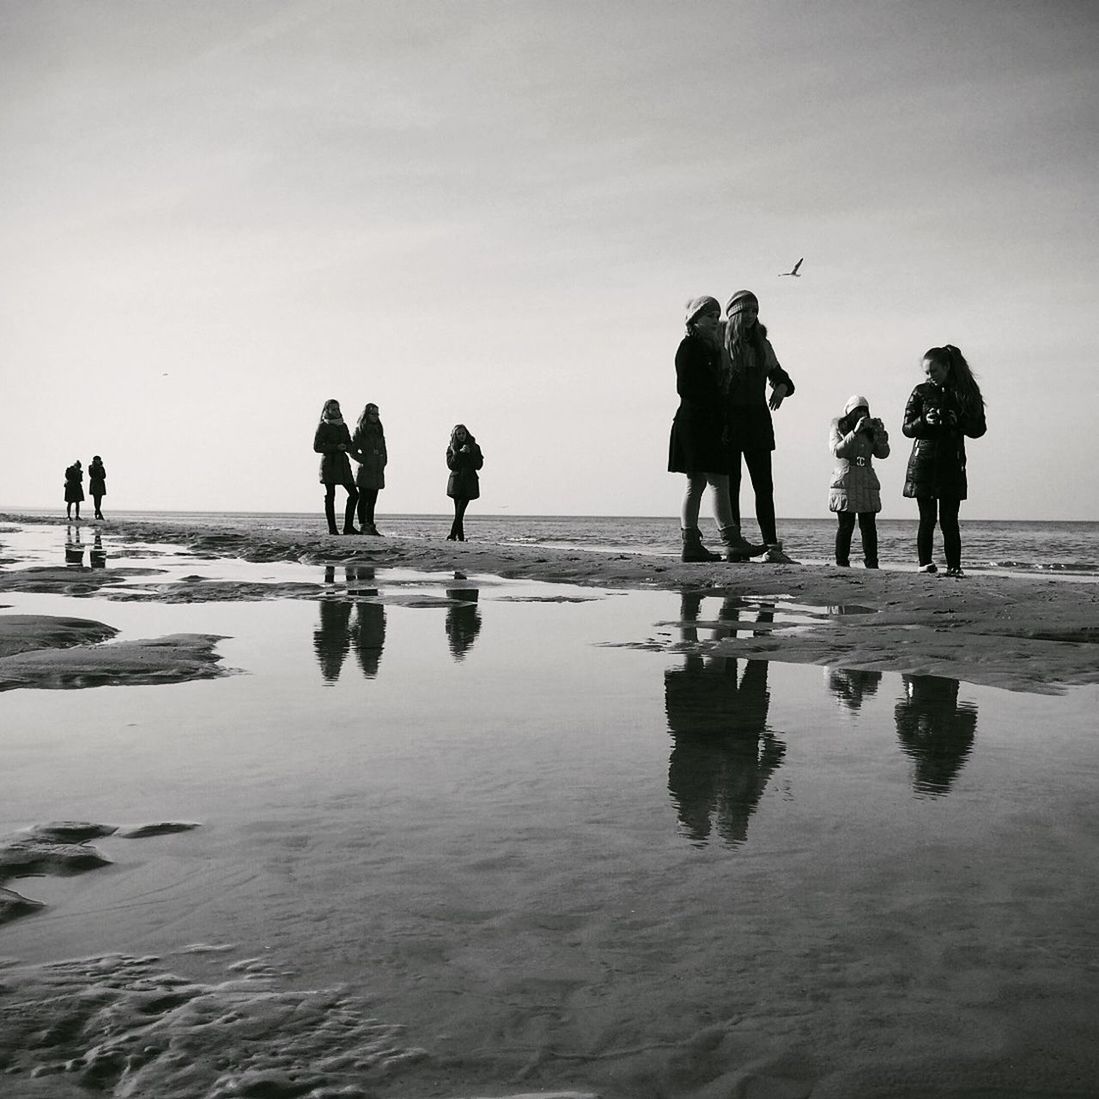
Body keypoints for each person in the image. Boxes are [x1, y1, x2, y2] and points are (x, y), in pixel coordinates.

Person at [722, 290, 797, 563]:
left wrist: (780, 386)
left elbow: (782, 376)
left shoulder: (763, 344)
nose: (751, 316)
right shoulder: (722, 343)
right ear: (734, 315)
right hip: (729, 422)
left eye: (755, 311)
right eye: (746, 311)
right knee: (732, 486)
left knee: (764, 486)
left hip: (757, 422)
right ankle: (735, 545)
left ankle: (771, 546)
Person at [901, 344, 986, 577]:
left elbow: (979, 428)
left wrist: (957, 420)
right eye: (926, 373)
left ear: (947, 367)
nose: (930, 377)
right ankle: (925, 563)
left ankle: (954, 566)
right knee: (927, 518)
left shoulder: (965, 392)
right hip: (924, 463)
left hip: (951, 462)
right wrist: (924, 421)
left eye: (934, 371)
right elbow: (906, 428)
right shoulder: (920, 391)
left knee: (949, 519)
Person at [668, 296, 738, 562]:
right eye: (710, 315)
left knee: (697, 482)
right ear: (695, 319)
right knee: (718, 480)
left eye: (717, 315)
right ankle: (729, 538)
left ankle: (692, 543)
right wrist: (714, 399)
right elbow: (685, 387)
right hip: (696, 422)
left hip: (700, 421)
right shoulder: (689, 347)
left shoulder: (711, 348)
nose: (715, 319)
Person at [828, 395, 890, 568]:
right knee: (846, 525)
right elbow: (837, 451)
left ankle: (872, 562)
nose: (862, 414)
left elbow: (883, 453)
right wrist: (854, 432)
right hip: (845, 480)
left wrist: (880, 436)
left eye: (865, 410)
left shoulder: (870, 430)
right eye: (858, 410)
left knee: (869, 525)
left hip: (866, 479)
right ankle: (842, 562)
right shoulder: (838, 426)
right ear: (850, 413)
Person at [313, 399, 360, 535]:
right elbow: (317, 447)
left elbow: (350, 443)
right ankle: (332, 528)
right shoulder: (323, 426)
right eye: (333, 409)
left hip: (343, 464)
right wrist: (335, 447)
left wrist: (347, 447)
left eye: (337, 409)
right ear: (326, 410)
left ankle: (348, 526)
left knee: (354, 494)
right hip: (329, 463)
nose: (336, 411)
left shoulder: (343, 425)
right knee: (331, 495)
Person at [350, 403, 387, 536]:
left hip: (377, 470)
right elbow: (353, 451)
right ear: (367, 414)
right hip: (365, 470)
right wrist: (366, 459)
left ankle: (371, 525)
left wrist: (383, 461)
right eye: (373, 414)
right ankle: (363, 525)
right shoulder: (360, 430)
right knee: (364, 498)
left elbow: (383, 448)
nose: (376, 417)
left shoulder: (379, 430)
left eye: (377, 414)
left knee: (373, 499)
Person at [446, 424, 483, 541]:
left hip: (469, 482)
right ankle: (460, 537)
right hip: (456, 482)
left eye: (463, 433)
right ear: (455, 436)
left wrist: (469, 453)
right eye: (459, 434)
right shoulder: (451, 448)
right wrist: (459, 453)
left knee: (460, 510)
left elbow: (478, 465)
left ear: (466, 433)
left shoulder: (475, 447)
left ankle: (452, 535)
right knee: (458, 511)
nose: (461, 436)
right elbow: (451, 465)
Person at [88, 455, 107, 521]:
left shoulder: (101, 467)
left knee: (99, 499)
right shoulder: (91, 467)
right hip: (95, 484)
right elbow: (91, 475)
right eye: (97, 460)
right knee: (96, 499)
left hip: (100, 484)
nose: (98, 461)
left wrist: (100, 471)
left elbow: (104, 476)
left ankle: (97, 512)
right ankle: (98, 512)